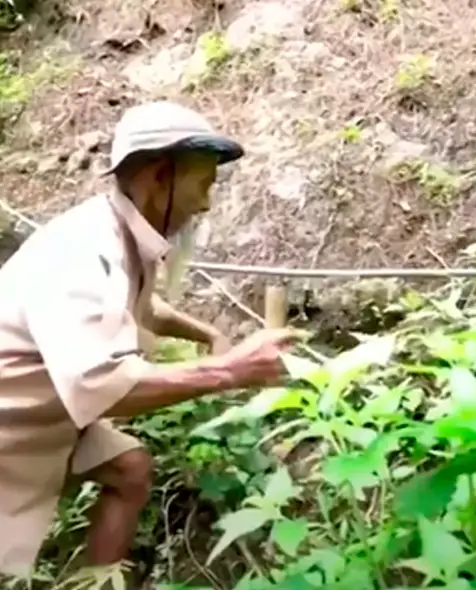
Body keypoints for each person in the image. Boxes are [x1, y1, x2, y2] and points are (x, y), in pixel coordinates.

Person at [0, 101, 306, 579]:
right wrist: (230, 371)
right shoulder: (86, 251)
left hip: (43, 413)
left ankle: (97, 585)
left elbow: (143, 306)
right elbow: (102, 385)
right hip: (15, 422)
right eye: (202, 184)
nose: (206, 203)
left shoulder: (117, 232)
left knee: (129, 469)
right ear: (159, 177)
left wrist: (207, 333)